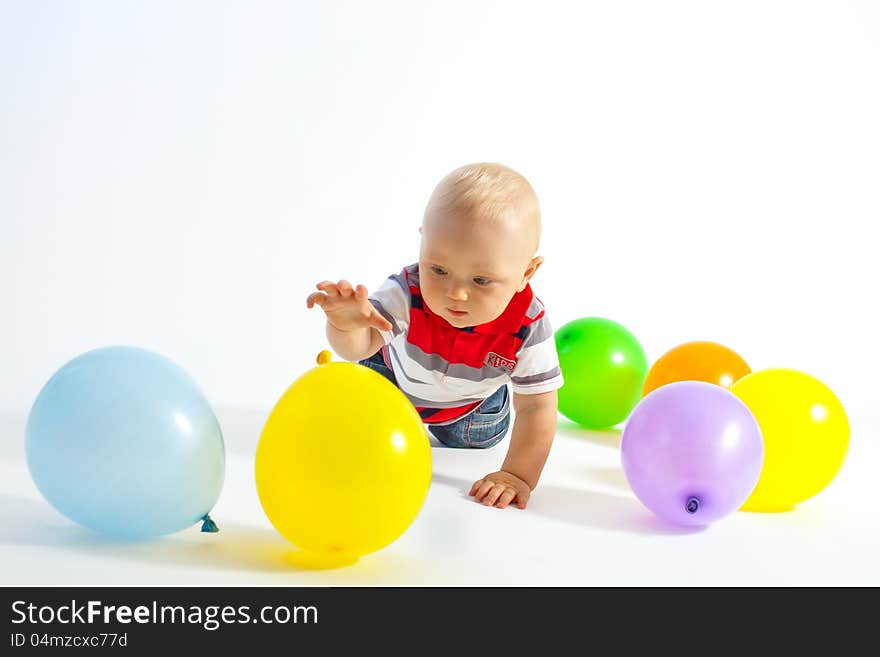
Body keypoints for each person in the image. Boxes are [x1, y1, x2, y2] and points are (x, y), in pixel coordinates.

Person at [306, 163, 563, 509]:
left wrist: (517, 475)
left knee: (484, 434)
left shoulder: (529, 324)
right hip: (395, 386)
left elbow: (536, 406)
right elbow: (359, 348)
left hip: (472, 412)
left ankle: (475, 417)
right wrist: (346, 327)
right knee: (355, 416)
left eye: (481, 281)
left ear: (525, 273)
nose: (455, 293)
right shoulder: (406, 292)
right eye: (439, 270)